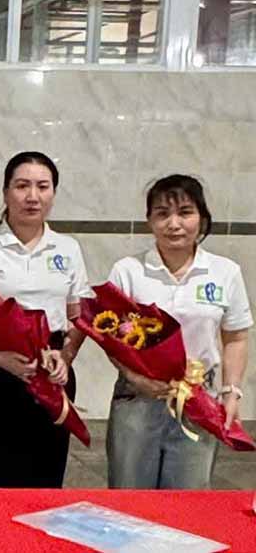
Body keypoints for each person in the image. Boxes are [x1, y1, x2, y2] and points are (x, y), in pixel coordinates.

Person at [106, 175, 250, 489]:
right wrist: (139, 379)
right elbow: (112, 341)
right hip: (138, 399)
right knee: (129, 497)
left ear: (202, 218)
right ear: (149, 222)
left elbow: (236, 336)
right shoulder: (127, 271)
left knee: (189, 498)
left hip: (199, 400)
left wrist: (231, 392)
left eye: (184, 212)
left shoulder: (225, 272)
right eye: (162, 214)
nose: (174, 223)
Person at [0, 151, 90, 488]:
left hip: (51, 369)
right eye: (22, 186)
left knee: (44, 473)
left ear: (53, 194)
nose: (33, 196)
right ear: (5, 193)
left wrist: (67, 356)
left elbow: (80, 315)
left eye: (43, 187)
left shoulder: (68, 248)